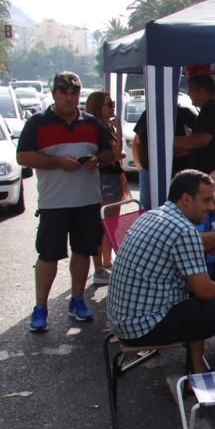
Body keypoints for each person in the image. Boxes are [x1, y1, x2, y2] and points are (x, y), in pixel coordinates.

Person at [107, 170, 215, 372]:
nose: (210, 206)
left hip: (122, 320)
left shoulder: (152, 215)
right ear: (186, 199)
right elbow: (205, 290)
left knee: (198, 304)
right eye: (207, 200)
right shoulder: (184, 230)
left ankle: (197, 372)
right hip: (144, 326)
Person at [16, 72, 114, 333]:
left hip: (87, 201)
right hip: (53, 202)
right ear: (54, 93)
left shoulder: (92, 123)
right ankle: (41, 307)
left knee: (83, 251)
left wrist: (98, 159)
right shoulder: (37, 123)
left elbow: (108, 152)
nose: (70, 97)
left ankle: (77, 300)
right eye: (64, 92)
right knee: (48, 255)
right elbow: (23, 157)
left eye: (74, 93)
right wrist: (57, 162)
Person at [85, 91, 128, 285]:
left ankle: (106, 261)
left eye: (112, 103)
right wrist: (118, 130)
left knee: (111, 222)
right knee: (105, 223)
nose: (113, 107)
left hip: (113, 176)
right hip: (106, 178)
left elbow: (116, 154)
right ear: (97, 107)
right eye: (109, 104)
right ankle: (101, 267)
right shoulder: (99, 128)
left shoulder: (105, 127)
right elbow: (116, 153)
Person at [131, 103, 198, 209]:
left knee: (176, 209)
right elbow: (136, 142)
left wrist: (185, 151)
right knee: (146, 208)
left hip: (178, 172)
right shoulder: (148, 114)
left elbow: (197, 142)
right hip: (148, 171)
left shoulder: (184, 114)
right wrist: (139, 165)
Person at [177, 74, 215, 177]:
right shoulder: (211, 109)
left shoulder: (212, 109)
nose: (188, 94)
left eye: (191, 90)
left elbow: (201, 140)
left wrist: (170, 142)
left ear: (202, 91)